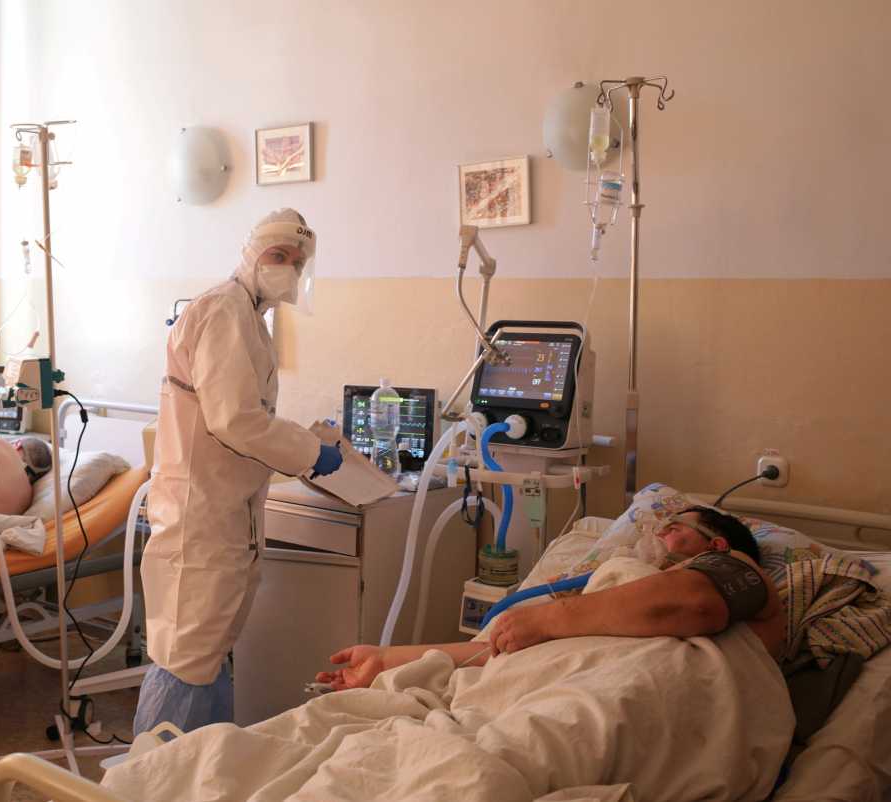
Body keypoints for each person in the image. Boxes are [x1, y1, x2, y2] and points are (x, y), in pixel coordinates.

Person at [135, 208, 343, 735]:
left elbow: (239, 415)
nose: (288, 268)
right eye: (279, 255)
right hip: (199, 517)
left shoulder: (250, 316)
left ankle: (205, 769)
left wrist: (306, 444)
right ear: (252, 253)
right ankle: (151, 773)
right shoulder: (224, 309)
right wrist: (309, 452)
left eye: (297, 261)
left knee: (208, 652)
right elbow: (235, 420)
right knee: (187, 658)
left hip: (223, 510)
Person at [317, 506, 786, 691]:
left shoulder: (738, 569)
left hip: (634, 700)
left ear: (714, 545)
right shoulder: (609, 596)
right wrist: (386, 660)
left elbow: (692, 604)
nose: (657, 532)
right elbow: (502, 650)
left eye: (674, 527)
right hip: (546, 694)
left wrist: (548, 618)